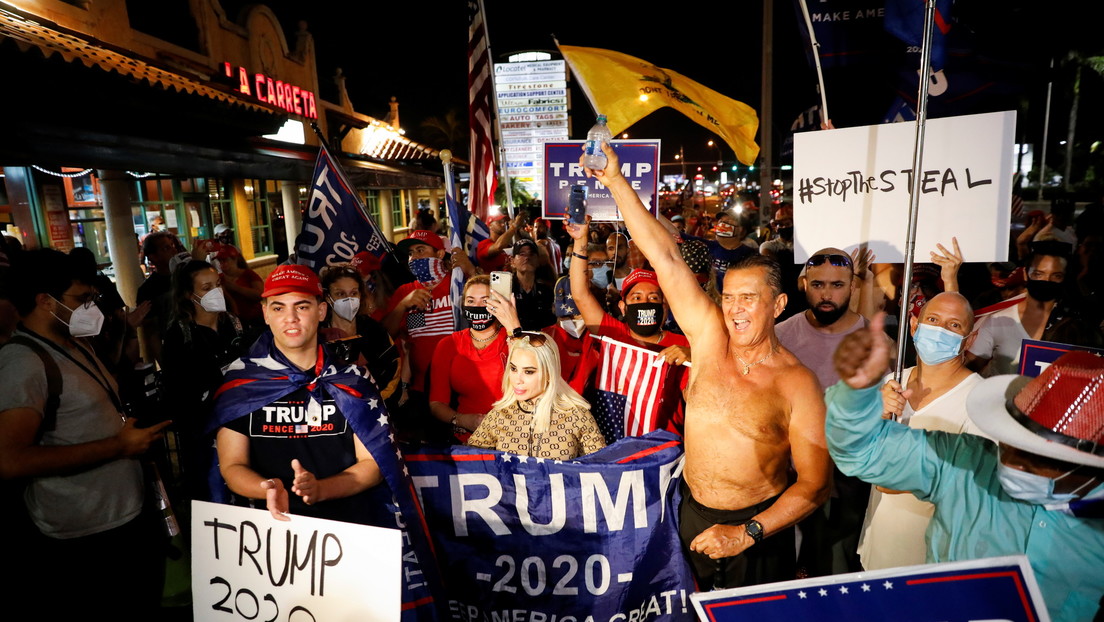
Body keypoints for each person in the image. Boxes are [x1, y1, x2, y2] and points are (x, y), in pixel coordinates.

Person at [582, 143, 830, 589]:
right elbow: (666, 258)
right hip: (690, 516)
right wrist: (616, 182)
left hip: (758, 530)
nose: (734, 309)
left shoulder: (797, 384)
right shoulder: (710, 337)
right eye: (729, 296)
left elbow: (815, 485)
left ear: (777, 305)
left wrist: (746, 533)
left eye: (748, 298)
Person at [828, 319, 1104, 622]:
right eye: (1010, 440)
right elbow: (861, 451)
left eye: (1036, 458)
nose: (1010, 461)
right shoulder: (965, 461)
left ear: (1089, 470)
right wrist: (857, 394)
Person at [0, 249, 171, 618]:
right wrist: (118, 446)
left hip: (125, 514)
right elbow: (10, 460)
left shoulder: (73, 343)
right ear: (45, 301)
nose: (90, 307)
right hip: (85, 535)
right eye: (81, 299)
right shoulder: (23, 363)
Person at [213, 264, 383, 522]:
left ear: (321, 311)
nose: (290, 318)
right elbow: (232, 465)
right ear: (265, 313)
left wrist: (321, 490)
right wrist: (268, 488)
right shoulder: (242, 382)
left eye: (302, 306)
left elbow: (373, 464)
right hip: (268, 530)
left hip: (348, 527)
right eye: (278, 307)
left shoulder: (353, 379)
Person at [856, 292, 990, 571]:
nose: (940, 330)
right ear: (914, 325)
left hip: (935, 565)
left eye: (954, 326)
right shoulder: (893, 383)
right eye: (932, 319)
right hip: (878, 549)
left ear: (971, 339)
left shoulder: (980, 401)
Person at [774, 247, 871, 575]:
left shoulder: (874, 340)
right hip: (788, 474)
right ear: (803, 284)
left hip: (847, 480)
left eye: (837, 285)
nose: (827, 294)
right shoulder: (781, 335)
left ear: (853, 286)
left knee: (835, 569)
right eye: (818, 285)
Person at [161, 259, 249, 501]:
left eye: (217, 284)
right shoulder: (180, 334)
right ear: (189, 294)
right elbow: (178, 389)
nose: (215, 292)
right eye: (206, 288)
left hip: (240, 423)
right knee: (212, 495)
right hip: (203, 433)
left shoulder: (234, 324)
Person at [967, 245, 1103, 377]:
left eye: (1056, 276)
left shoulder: (1075, 324)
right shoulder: (998, 321)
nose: (1046, 281)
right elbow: (969, 369)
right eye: (1038, 274)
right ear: (1026, 274)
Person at [468, 331, 606, 460]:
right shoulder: (498, 415)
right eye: (513, 369)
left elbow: (602, 469)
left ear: (549, 373)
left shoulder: (577, 416)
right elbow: (469, 465)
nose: (517, 379)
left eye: (529, 372)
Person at [428, 275, 509, 442]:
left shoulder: (513, 340)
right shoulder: (448, 345)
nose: (477, 307)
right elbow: (436, 403)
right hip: (466, 439)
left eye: (484, 300)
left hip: (513, 437)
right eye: (471, 301)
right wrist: (462, 420)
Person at [318, 264, 400, 404]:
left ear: (360, 295)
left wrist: (371, 402)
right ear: (327, 297)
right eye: (340, 294)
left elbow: (392, 370)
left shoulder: (374, 330)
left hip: (374, 408)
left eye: (353, 293)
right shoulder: (318, 334)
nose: (348, 299)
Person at [212, 244, 264, 329]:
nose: (222, 264)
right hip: (232, 322)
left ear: (235, 259)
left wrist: (236, 288)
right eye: (220, 261)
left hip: (254, 320)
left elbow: (260, 295)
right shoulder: (218, 278)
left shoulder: (248, 274)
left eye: (225, 260)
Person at [511, 237, 555, 330]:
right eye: (522, 254)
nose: (527, 258)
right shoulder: (506, 288)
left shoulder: (547, 290)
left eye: (531, 254)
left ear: (538, 260)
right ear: (512, 261)